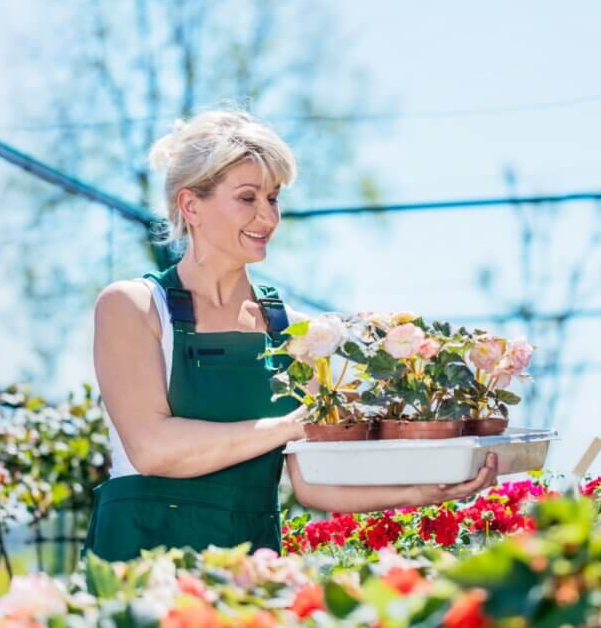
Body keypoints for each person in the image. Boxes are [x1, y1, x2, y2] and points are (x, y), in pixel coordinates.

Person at [82, 108, 498, 561]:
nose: (268, 217)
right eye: (248, 198)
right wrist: (294, 423)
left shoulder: (297, 332)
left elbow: (312, 481)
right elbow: (153, 449)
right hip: (141, 560)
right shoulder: (134, 307)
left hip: (249, 565)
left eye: (273, 198)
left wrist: (425, 489)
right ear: (191, 206)